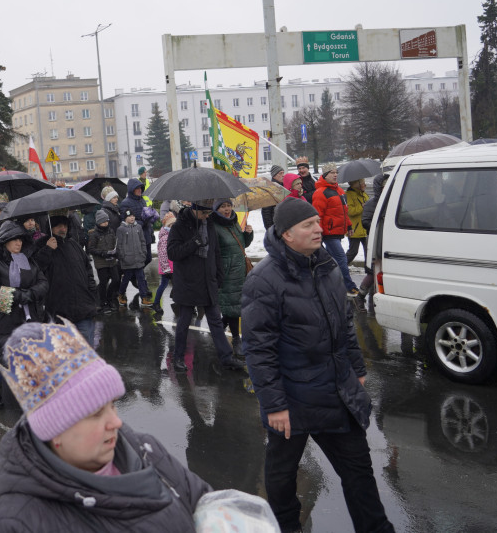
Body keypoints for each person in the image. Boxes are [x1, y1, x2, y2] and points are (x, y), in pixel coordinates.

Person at [241, 197, 393, 533]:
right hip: (292, 400)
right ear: (286, 235)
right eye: (308, 225)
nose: (318, 229)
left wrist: (357, 369)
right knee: (281, 477)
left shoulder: (326, 266)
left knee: (359, 472)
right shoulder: (264, 280)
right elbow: (258, 349)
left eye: (317, 222)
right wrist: (275, 405)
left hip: (336, 391)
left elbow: (344, 321)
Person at [0, 319, 212, 531]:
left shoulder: (147, 450)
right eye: (95, 414)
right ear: (54, 431)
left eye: (112, 405)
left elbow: (206, 504)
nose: (116, 422)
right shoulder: (19, 524)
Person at [167, 201, 246, 373]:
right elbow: (172, 253)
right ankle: (178, 358)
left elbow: (215, 250)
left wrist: (219, 274)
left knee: (215, 321)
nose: (207, 216)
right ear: (195, 211)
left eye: (209, 213)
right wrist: (194, 242)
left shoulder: (208, 223)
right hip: (188, 281)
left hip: (208, 280)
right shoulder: (179, 226)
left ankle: (226, 358)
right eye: (204, 214)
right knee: (184, 321)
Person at [0, 221, 49, 410]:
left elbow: (43, 282)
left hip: (27, 317)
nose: (18, 243)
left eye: (20, 239)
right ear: (4, 242)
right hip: (2, 317)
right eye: (14, 239)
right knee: (2, 357)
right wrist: (18, 295)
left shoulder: (28, 261)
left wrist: (30, 294)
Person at [34, 215, 99, 346]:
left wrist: (91, 289)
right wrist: (47, 249)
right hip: (58, 311)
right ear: (51, 228)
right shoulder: (41, 245)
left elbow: (88, 268)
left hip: (83, 308)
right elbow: (35, 270)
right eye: (58, 226)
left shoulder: (74, 244)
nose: (62, 229)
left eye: (65, 225)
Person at [210, 199, 254, 361]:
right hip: (226, 274)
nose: (227, 209)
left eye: (228, 205)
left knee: (235, 304)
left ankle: (219, 329)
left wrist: (248, 234)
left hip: (240, 270)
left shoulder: (234, 222)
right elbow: (213, 251)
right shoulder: (214, 226)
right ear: (216, 209)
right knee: (233, 305)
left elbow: (242, 245)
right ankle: (236, 340)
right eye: (222, 206)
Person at [312, 163, 358, 296]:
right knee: (341, 259)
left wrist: (349, 226)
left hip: (338, 232)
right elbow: (317, 215)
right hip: (328, 233)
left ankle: (329, 285)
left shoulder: (340, 191)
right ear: (325, 175)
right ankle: (348, 286)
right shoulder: (320, 193)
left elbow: (344, 212)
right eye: (332, 172)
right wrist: (317, 234)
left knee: (332, 262)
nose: (335, 175)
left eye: (336, 172)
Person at [86, 209, 120, 315]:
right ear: (98, 222)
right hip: (101, 262)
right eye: (103, 221)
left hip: (112, 261)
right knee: (103, 282)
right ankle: (102, 302)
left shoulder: (111, 231)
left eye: (107, 221)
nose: (106, 223)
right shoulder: (94, 234)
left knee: (116, 280)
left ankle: (109, 299)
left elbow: (115, 243)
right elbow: (90, 249)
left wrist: (116, 252)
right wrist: (102, 253)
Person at [115, 209, 151, 307]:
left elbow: (143, 241)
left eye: (133, 216)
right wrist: (123, 257)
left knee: (141, 279)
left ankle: (144, 298)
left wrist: (143, 253)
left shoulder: (138, 227)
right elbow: (119, 246)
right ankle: (121, 294)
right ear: (125, 218)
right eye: (130, 216)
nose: (132, 218)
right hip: (127, 260)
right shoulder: (121, 229)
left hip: (139, 259)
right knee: (126, 279)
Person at [119, 178, 158, 265]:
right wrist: (143, 222)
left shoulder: (142, 200)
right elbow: (125, 222)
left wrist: (152, 218)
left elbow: (145, 215)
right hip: (136, 237)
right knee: (140, 261)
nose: (140, 190)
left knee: (148, 259)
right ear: (132, 190)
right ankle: (135, 278)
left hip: (146, 235)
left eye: (141, 188)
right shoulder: (126, 203)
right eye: (137, 188)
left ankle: (138, 277)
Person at [150, 210, 176, 319]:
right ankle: (156, 303)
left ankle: (175, 297)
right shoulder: (165, 237)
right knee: (164, 285)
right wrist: (166, 267)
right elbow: (162, 254)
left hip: (173, 266)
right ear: (168, 225)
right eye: (172, 225)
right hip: (168, 267)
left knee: (176, 284)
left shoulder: (172, 234)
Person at [344, 178, 370, 268]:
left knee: (369, 252)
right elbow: (350, 211)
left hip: (365, 227)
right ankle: (340, 267)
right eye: (363, 183)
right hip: (355, 228)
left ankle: (369, 270)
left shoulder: (363, 194)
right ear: (357, 184)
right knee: (353, 252)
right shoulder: (349, 195)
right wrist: (362, 207)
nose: (365, 185)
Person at [260, 165, 287, 230]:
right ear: (274, 175)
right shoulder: (269, 190)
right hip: (275, 225)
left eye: (283, 173)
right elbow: (266, 212)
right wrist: (270, 229)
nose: (283, 175)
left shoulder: (284, 187)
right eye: (280, 173)